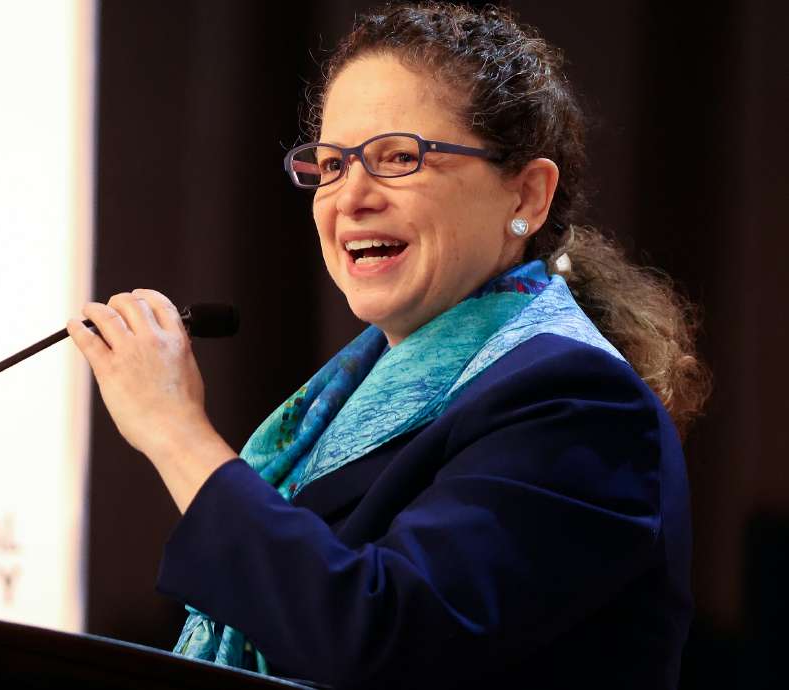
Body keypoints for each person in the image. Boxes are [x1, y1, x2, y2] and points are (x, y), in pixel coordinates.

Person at [67, 3, 710, 689]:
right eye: (331, 165)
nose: (350, 199)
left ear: (527, 194)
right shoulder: (343, 406)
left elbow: (378, 636)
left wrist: (174, 430)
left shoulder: (580, 404)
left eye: (399, 157)